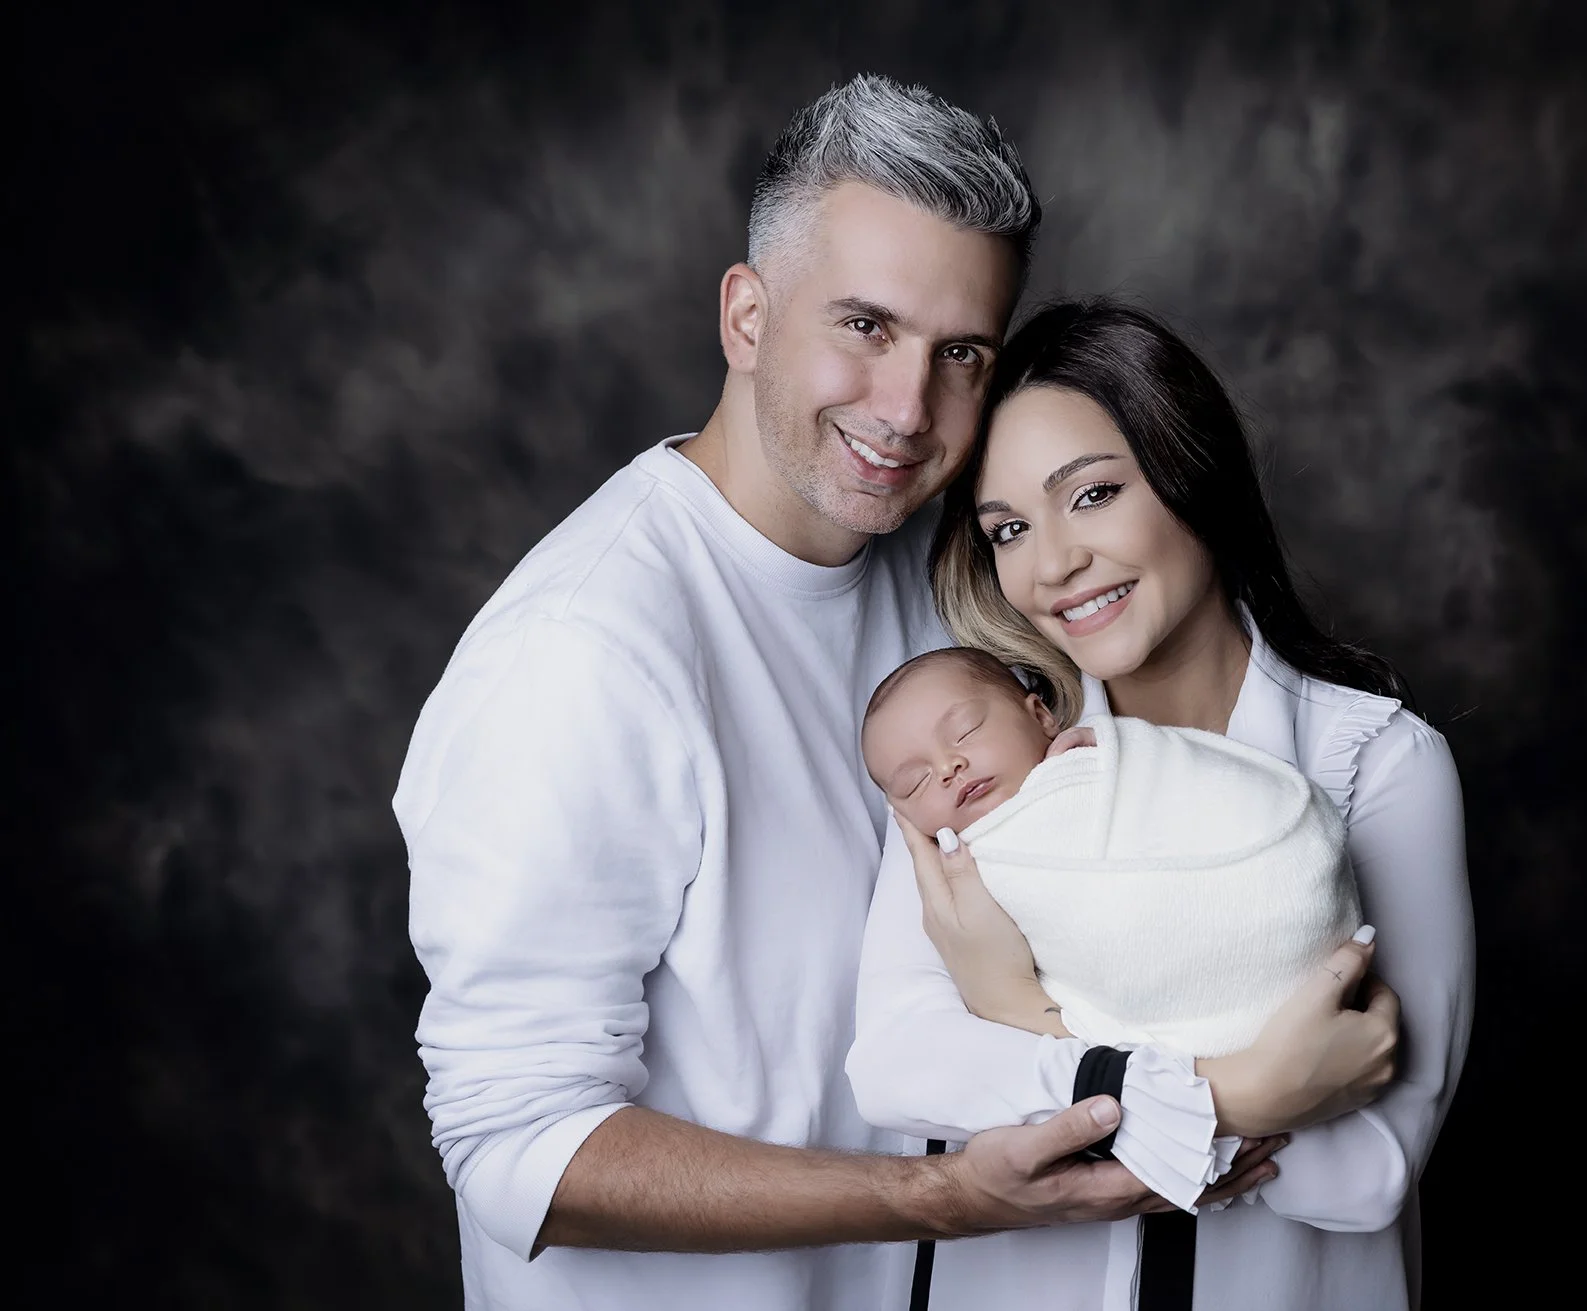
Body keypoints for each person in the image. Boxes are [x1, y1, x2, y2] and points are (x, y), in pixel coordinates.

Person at [394, 77, 1298, 1311]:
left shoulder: (953, 586)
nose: (906, 411)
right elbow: (513, 1147)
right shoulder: (579, 658)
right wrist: (946, 1200)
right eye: (864, 327)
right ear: (747, 315)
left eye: (960, 353)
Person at [847, 300, 1476, 1310]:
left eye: (1091, 494)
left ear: (1194, 476)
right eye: (1007, 528)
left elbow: (1365, 1175)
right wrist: (1250, 1094)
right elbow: (895, 1068)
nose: (1050, 566)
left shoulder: (1373, 764)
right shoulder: (973, 763)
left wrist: (1018, 1018)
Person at [860, 645, 1365, 1067]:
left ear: (1041, 716)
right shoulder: (955, 876)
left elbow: (1214, 784)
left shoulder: (1108, 760)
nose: (949, 767)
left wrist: (1118, 747)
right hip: (1202, 1031)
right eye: (916, 781)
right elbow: (897, 1065)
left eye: (966, 730)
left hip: (1293, 923)